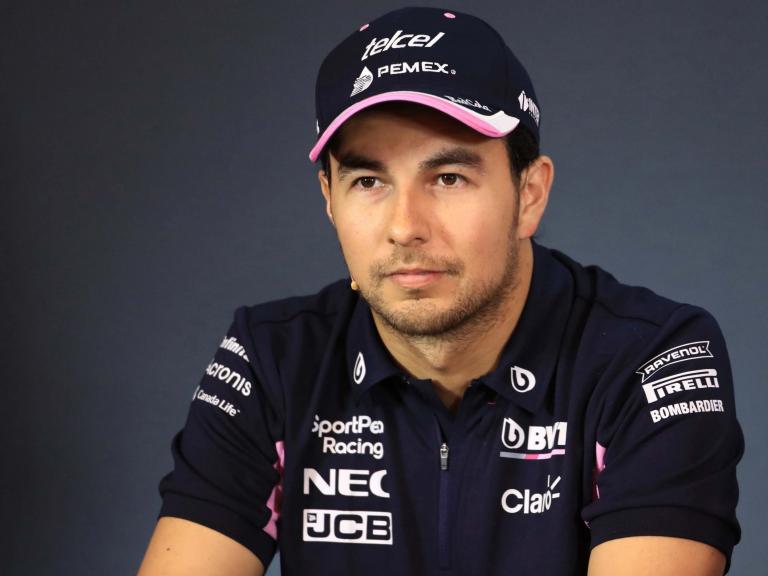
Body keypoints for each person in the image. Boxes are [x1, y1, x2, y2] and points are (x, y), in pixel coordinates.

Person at [137, 7, 742, 576]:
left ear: (529, 195)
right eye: (368, 181)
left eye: (448, 177)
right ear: (329, 200)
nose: (405, 226)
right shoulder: (272, 360)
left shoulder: (651, 357)